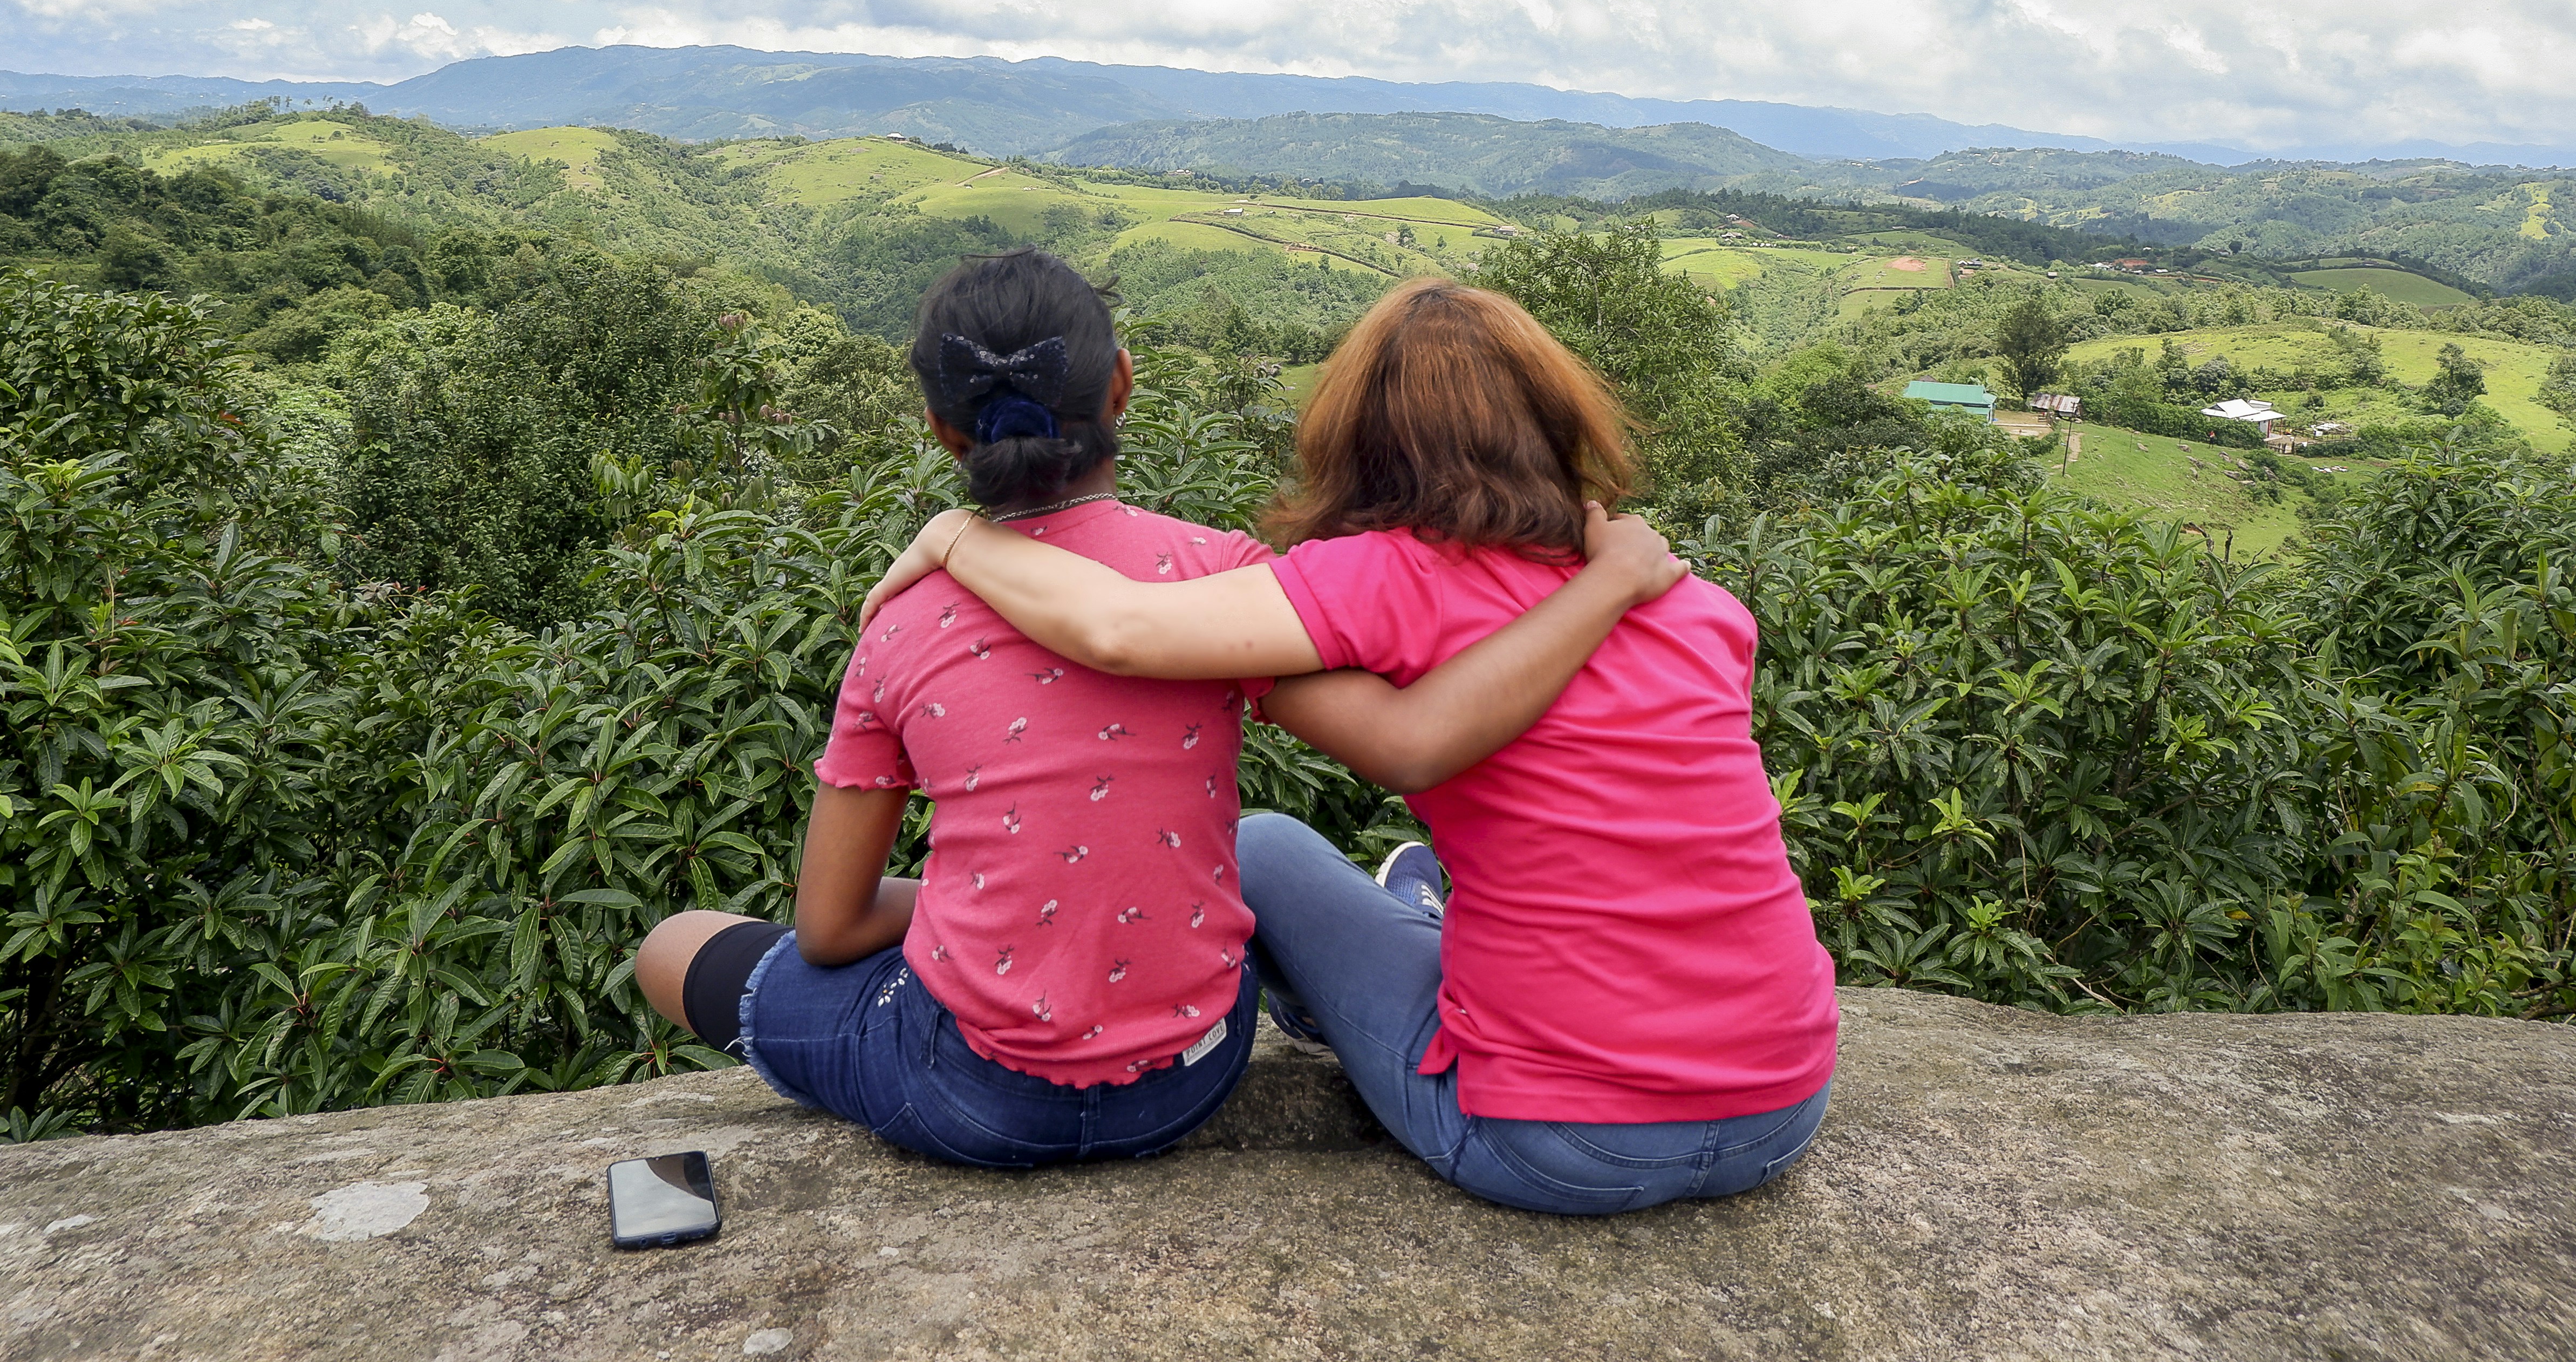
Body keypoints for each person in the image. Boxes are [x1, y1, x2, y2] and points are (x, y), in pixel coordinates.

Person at [635, 250, 1683, 1171]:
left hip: (973, 1094)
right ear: (1123, 385)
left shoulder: (898, 627)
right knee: (1262, 848)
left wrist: (977, 894)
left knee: (675, 945)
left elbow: (831, 924)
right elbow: (1394, 734)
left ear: (941, 428)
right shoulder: (1218, 573)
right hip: (1189, 1073)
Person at [859, 275, 1840, 1214]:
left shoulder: (1382, 578)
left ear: (1362, 438)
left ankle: (1380, 955)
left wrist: (958, 537)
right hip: (1786, 1105)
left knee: (1265, 848)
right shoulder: (1700, 607)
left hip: (1555, 1142)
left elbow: (1121, 629)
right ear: (1554, 424)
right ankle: (1415, 911)